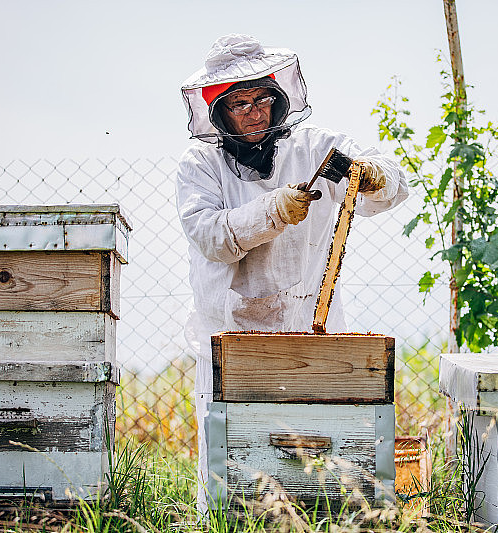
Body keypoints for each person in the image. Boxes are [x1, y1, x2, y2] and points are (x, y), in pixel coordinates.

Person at [175, 34, 409, 512]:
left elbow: (391, 184)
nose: (254, 112)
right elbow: (210, 235)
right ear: (218, 112)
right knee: (233, 461)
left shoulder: (316, 147)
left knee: (317, 451)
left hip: (311, 327)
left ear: (279, 98)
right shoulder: (199, 164)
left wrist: (377, 175)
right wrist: (273, 210)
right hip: (232, 332)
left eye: (262, 98)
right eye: (239, 104)